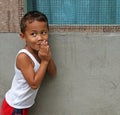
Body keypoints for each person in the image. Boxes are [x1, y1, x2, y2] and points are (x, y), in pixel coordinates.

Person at [0, 10, 56, 115]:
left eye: (43, 33)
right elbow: (34, 84)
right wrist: (44, 61)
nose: (39, 38)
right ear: (23, 36)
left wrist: (48, 57)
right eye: (33, 34)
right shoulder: (23, 57)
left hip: (22, 106)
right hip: (14, 107)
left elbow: (52, 72)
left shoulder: (42, 53)